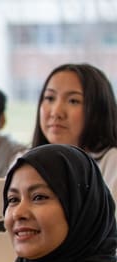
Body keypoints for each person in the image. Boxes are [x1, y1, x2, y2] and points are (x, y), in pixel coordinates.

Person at [31, 63, 117, 201]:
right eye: (49, 98)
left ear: (99, 110)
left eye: (73, 101)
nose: (56, 112)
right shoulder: (23, 160)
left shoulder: (112, 162)